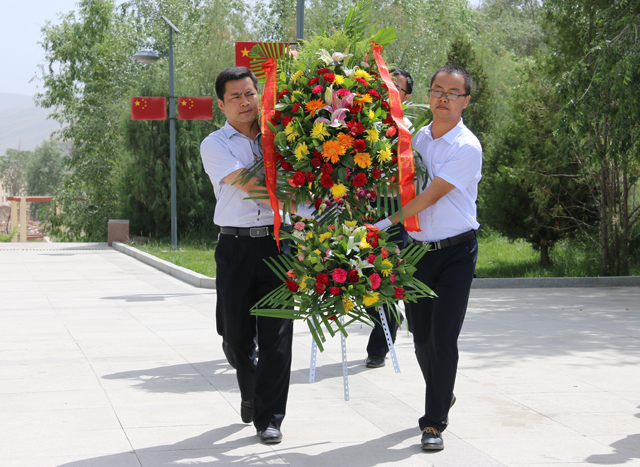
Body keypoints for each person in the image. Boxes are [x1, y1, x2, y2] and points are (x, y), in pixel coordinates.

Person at [374, 65, 482, 450]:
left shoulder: (467, 147)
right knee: (421, 338)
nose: (443, 98)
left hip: (456, 253)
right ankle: (443, 391)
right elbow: (403, 185)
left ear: (465, 101)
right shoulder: (418, 138)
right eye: (438, 90)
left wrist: (383, 223)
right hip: (418, 252)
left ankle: (433, 422)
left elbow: (430, 196)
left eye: (453, 93)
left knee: (443, 338)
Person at [200, 66, 298, 445]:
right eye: (235, 96)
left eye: (250, 94)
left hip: (277, 245)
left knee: (277, 335)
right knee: (235, 337)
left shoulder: (283, 138)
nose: (244, 102)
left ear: (260, 95)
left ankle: (269, 417)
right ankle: (252, 388)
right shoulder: (215, 144)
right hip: (235, 247)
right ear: (221, 104)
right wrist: (299, 196)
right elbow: (251, 184)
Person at [364, 67, 414, 369]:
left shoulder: (408, 131)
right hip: (360, 212)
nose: (388, 92)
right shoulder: (361, 122)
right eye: (384, 85)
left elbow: (410, 182)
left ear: (405, 97)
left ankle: (379, 347)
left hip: (393, 216)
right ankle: (390, 318)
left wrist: (378, 182)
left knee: (384, 278)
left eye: (396, 88)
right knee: (360, 278)